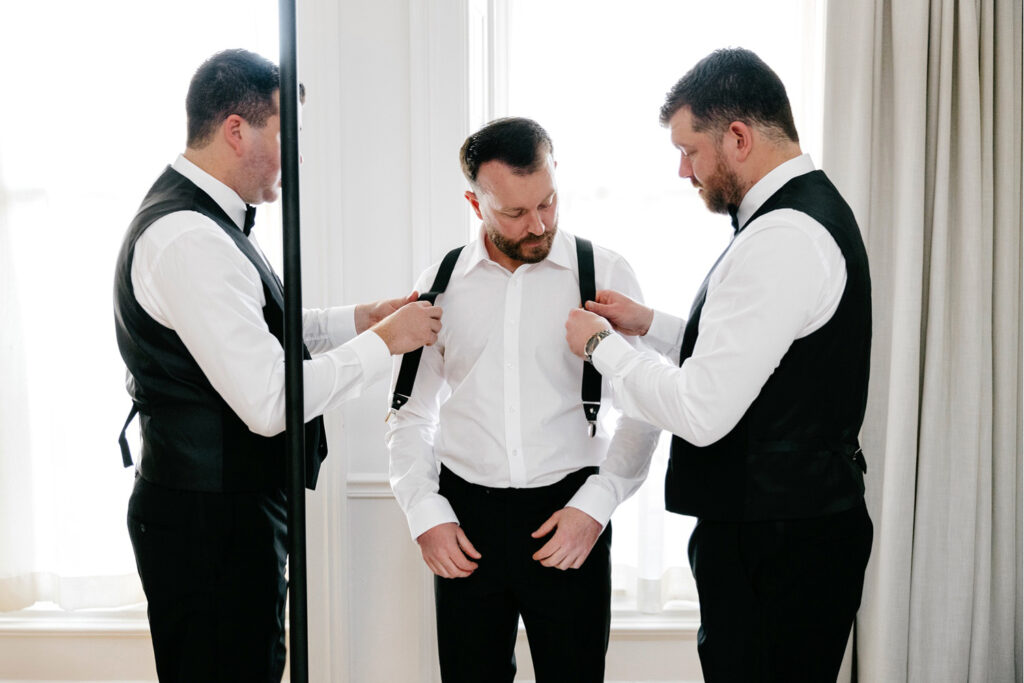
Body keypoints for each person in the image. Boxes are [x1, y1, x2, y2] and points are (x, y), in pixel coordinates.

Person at [113, 49, 441, 683]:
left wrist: (362, 317)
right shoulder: (189, 237)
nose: (297, 154)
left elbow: (262, 332)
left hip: (225, 510)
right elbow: (269, 400)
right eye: (286, 134)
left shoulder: (211, 225)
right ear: (238, 129)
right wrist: (385, 344)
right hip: (209, 521)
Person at [564, 48, 874, 682]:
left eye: (689, 150)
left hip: (776, 539)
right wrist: (650, 326)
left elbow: (701, 410)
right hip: (790, 526)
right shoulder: (799, 216)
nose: (683, 171)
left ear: (737, 137)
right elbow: (763, 360)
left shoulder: (784, 236)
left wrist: (602, 348)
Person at [386, 117, 660, 682]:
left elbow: (644, 402)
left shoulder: (603, 272)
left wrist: (598, 504)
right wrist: (423, 512)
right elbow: (410, 410)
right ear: (474, 201)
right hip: (464, 520)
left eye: (549, 202)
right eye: (515, 212)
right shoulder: (440, 280)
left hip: (571, 512)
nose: (539, 224)